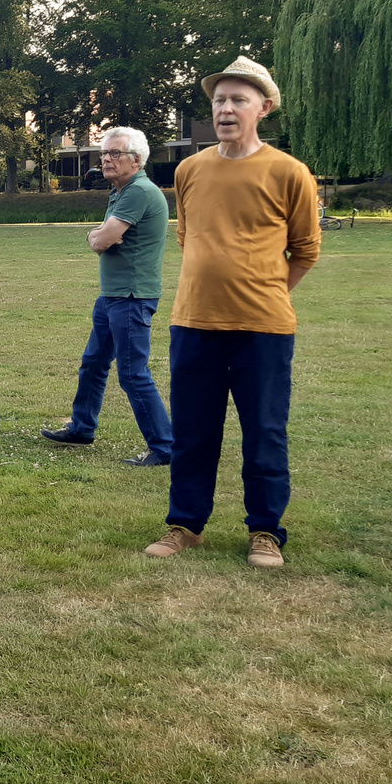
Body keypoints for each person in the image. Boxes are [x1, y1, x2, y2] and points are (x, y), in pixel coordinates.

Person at [144, 57, 320, 569]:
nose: (225, 108)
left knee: (264, 430)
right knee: (194, 430)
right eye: (220, 99)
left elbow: (305, 250)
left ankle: (265, 531)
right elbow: (188, 237)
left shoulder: (289, 172)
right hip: (194, 323)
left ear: (263, 108)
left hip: (263, 329)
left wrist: (267, 292)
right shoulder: (189, 170)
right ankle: (185, 524)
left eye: (238, 100)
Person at [41, 126, 173, 466]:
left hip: (131, 297)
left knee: (132, 373)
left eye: (115, 154)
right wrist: (100, 235)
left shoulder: (138, 192)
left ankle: (164, 447)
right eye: (104, 154)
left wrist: (95, 235)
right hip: (113, 296)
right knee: (94, 363)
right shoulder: (122, 191)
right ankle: (82, 428)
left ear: (137, 159)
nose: (107, 159)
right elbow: (105, 238)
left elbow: (101, 241)